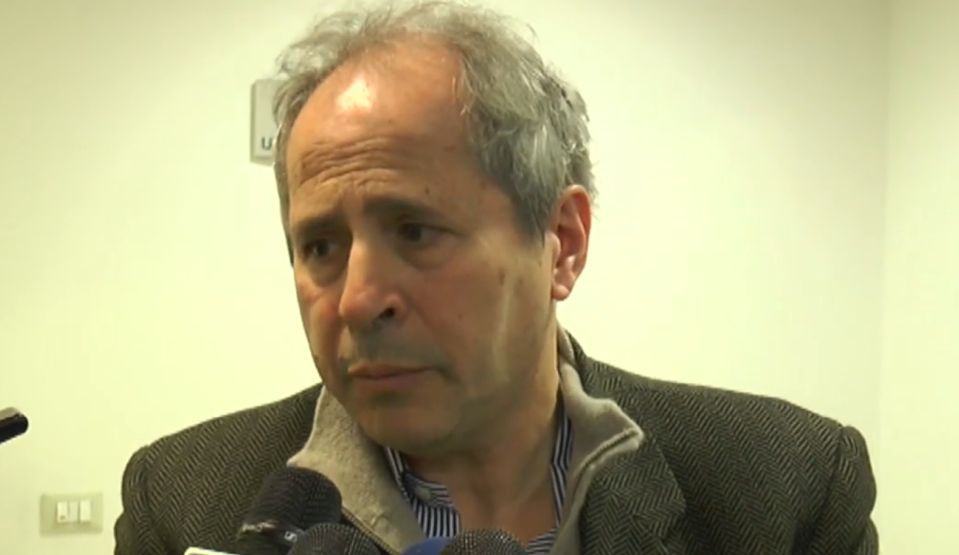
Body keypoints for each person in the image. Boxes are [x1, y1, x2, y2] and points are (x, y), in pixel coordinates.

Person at [113, 2, 878, 554]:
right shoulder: (183, 501)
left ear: (562, 243)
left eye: (415, 231)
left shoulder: (784, 488)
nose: (356, 299)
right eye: (319, 246)